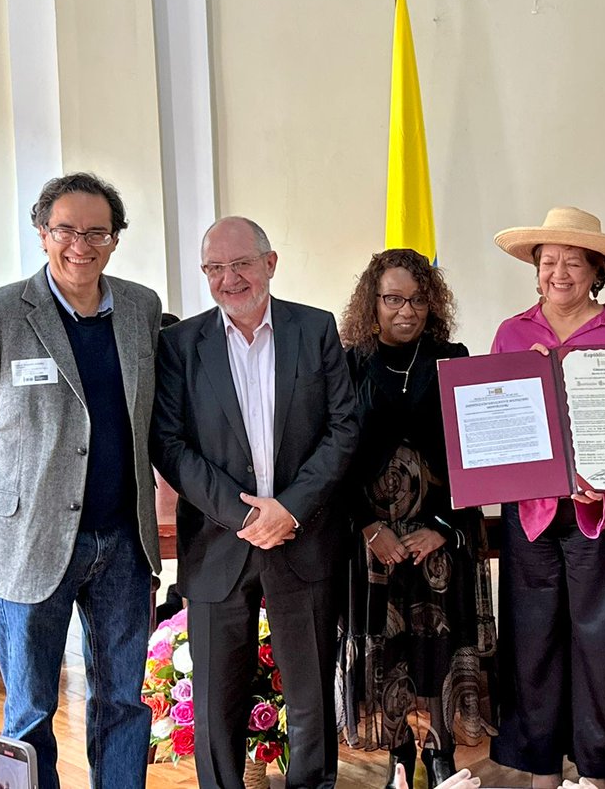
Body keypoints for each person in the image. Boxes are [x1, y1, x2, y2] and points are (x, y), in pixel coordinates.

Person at [0, 172, 163, 789]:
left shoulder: (141, 308)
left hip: (125, 540)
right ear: (42, 233)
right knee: (30, 711)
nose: (81, 244)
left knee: (124, 703)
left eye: (97, 231)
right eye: (66, 229)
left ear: (115, 239)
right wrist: (15, 507)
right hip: (30, 544)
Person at [151, 216, 359, 789]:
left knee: (311, 696)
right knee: (217, 701)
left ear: (270, 263)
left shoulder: (314, 329)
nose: (229, 278)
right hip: (220, 543)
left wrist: (288, 508)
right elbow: (168, 444)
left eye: (241, 263)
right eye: (215, 268)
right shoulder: (178, 345)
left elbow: (344, 428)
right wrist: (245, 514)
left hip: (304, 536)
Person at [488, 207, 605, 789]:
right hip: (531, 516)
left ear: (596, 271)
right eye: (548, 261)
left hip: (602, 511)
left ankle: (599, 769)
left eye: (573, 261)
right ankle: (542, 765)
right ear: (535, 270)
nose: (558, 272)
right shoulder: (512, 334)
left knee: (603, 642)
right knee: (533, 643)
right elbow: (491, 430)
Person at [336, 249, 497, 789]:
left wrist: (444, 530)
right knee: (388, 650)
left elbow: (472, 451)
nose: (406, 310)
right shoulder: (348, 364)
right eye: (393, 299)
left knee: (439, 646)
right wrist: (368, 526)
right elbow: (333, 455)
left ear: (433, 302)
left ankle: (443, 750)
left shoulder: (453, 358)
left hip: (440, 540)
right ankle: (400, 755)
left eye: (418, 299)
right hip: (371, 542)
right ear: (372, 302)